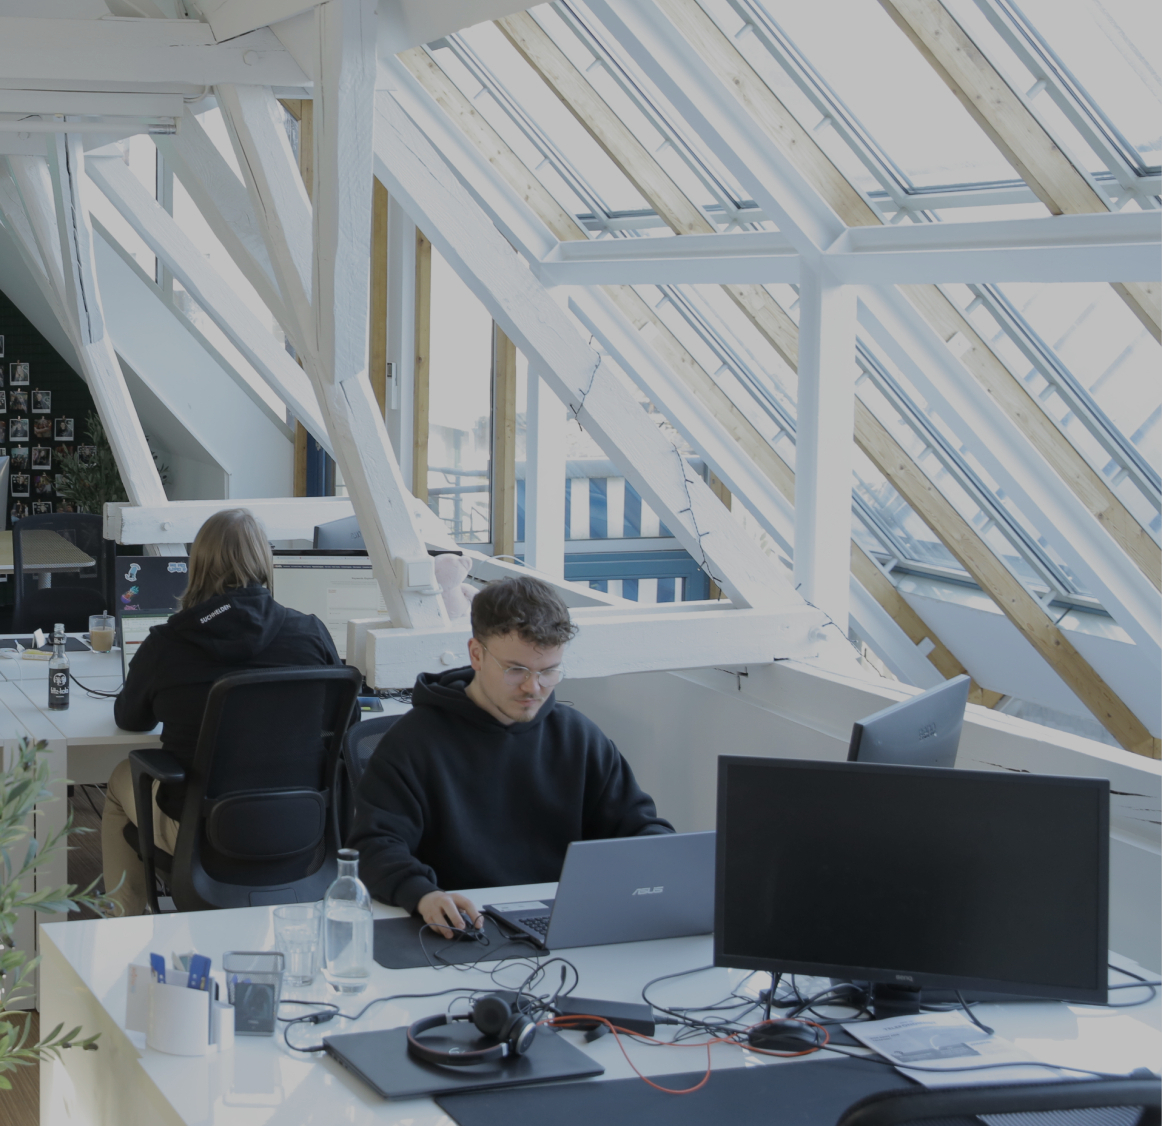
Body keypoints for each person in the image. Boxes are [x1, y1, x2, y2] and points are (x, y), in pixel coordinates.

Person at [349, 575, 673, 937]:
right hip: (462, 925)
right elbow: (373, 846)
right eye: (516, 669)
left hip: (563, 922)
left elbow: (637, 826)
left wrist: (665, 860)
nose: (533, 687)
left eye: (549, 671)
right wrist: (421, 894)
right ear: (476, 653)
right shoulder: (413, 742)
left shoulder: (579, 737)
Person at [101, 509, 340, 915]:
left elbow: (131, 719)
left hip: (204, 832)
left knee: (120, 780)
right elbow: (342, 724)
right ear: (264, 562)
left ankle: (122, 928)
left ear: (197, 565)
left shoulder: (168, 642)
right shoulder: (311, 633)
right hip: (300, 825)